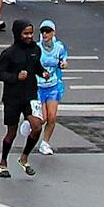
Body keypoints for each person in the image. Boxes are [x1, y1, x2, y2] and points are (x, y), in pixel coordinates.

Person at [0, 19, 45, 178]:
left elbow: (36, 66)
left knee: (37, 126)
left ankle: (24, 158)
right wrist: (16, 77)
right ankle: (3, 162)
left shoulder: (36, 49)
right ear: (18, 34)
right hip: (12, 98)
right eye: (26, 33)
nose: (29, 36)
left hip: (30, 96)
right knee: (12, 132)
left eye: (31, 33)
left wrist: (42, 72)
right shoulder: (8, 53)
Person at [35, 18, 67, 153]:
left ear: (53, 32)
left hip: (53, 85)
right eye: (43, 31)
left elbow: (63, 59)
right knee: (43, 118)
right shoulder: (37, 48)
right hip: (38, 86)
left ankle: (45, 143)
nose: (45, 34)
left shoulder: (59, 47)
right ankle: (30, 126)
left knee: (52, 117)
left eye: (47, 31)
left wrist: (64, 64)